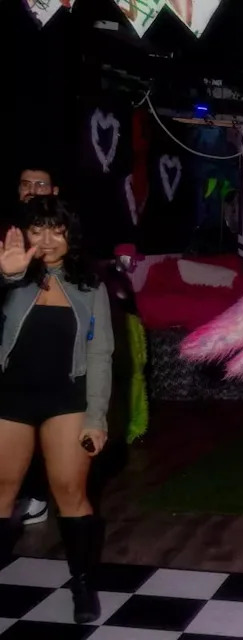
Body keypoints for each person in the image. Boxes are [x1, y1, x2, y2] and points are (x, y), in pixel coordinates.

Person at [0, 195, 114, 623]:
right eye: (37, 229)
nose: (47, 239)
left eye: (57, 229)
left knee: (70, 492)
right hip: (9, 397)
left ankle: (83, 587)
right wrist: (7, 278)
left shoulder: (90, 284)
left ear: (71, 234)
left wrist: (96, 418)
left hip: (66, 399)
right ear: (22, 233)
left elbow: (100, 354)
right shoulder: (9, 273)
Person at [10, 164, 61, 527]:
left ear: (53, 190)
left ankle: (37, 496)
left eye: (39, 184)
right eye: (25, 184)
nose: (31, 190)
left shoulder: (64, 229)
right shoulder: (9, 232)